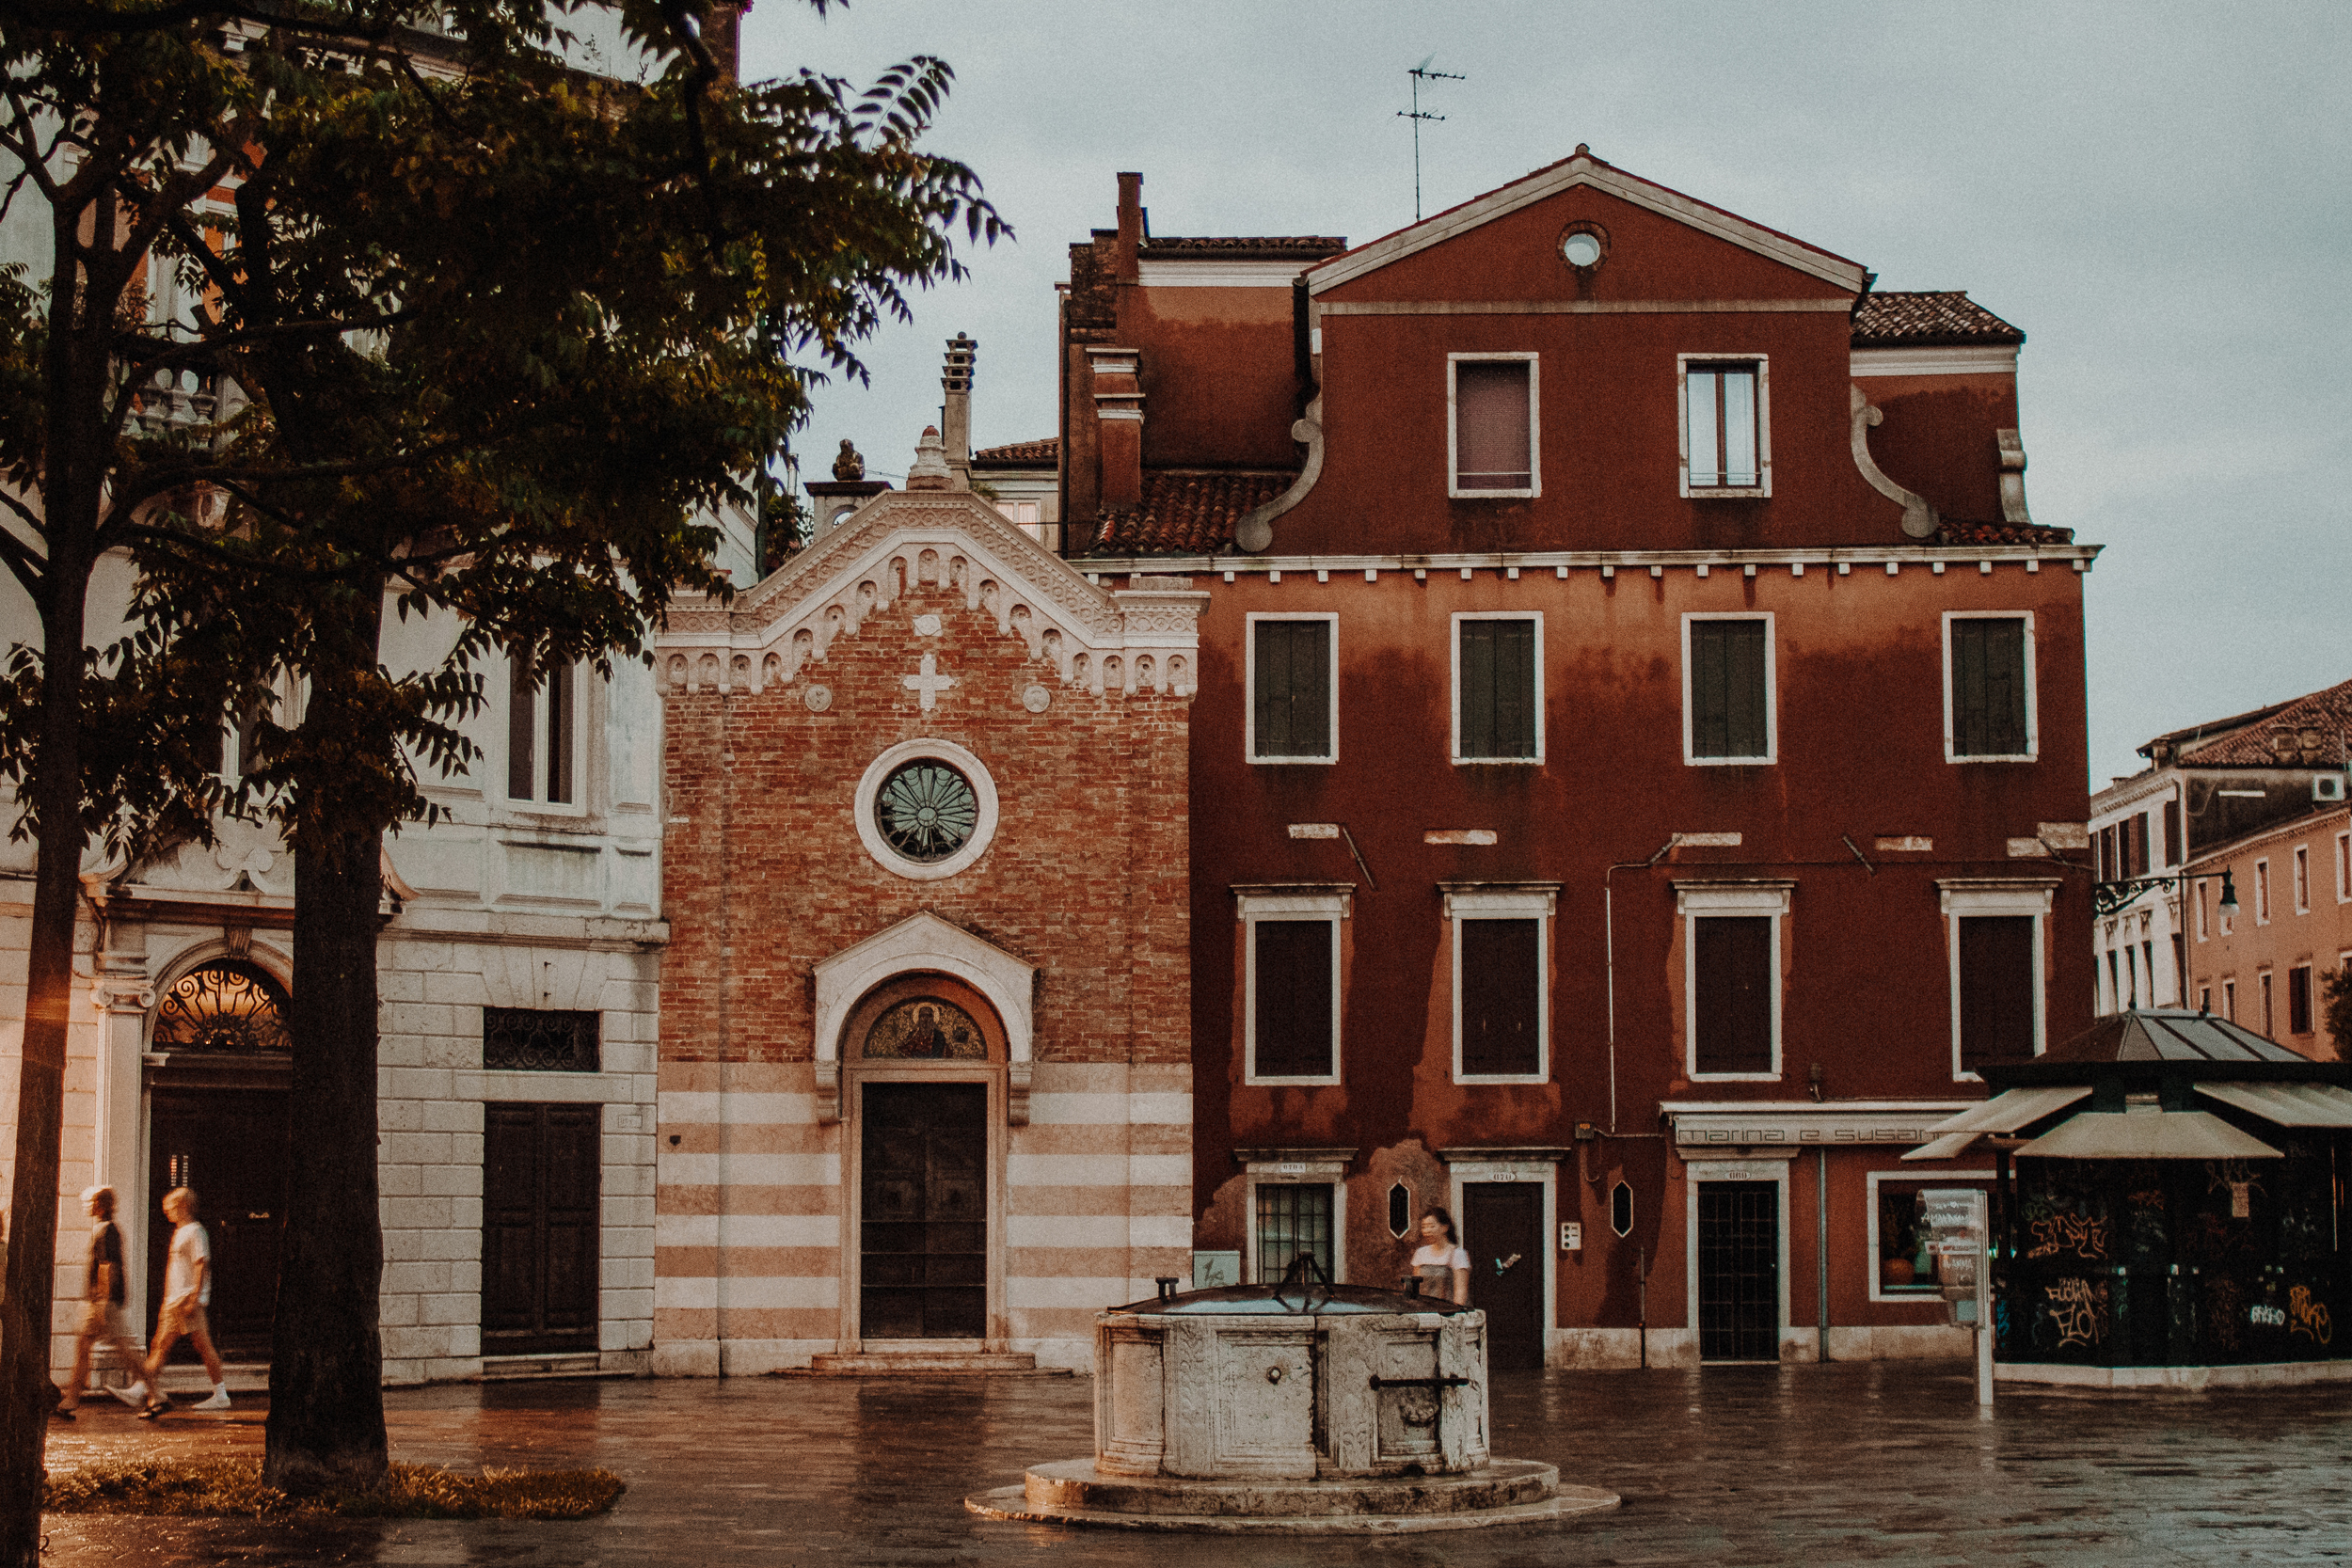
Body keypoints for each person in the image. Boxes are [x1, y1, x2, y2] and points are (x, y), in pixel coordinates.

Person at [56, 1187, 149, 1418]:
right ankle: (72, 1398)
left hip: (102, 1302)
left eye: (93, 1202)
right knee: (84, 1347)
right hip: (97, 1301)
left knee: (124, 1349)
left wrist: (104, 1300)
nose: (88, 1206)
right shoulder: (104, 1229)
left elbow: (108, 1266)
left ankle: (156, 1393)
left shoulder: (107, 1230)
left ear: (102, 1205)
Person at [141, 1186, 230, 1415]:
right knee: (162, 1345)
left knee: (199, 1345)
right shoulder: (181, 1231)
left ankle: (220, 1394)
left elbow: (202, 1264)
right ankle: (143, 1388)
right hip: (176, 1299)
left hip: (186, 1299)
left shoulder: (195, 1231)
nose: (167, 1212)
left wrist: (195, 1297)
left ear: (183, 1207)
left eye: (170, 1207)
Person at [1408, 1208, 1471, 1305]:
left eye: (1431, 1226)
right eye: (1424, 1227)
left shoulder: (1457, 1254)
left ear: (1444, 1228)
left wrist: (1456, 1311)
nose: (1427, 1230)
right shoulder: (1420, 1253)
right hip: (1425, 1310)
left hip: (1449, 1312)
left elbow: (1461, 1290)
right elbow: (1415, 1287)